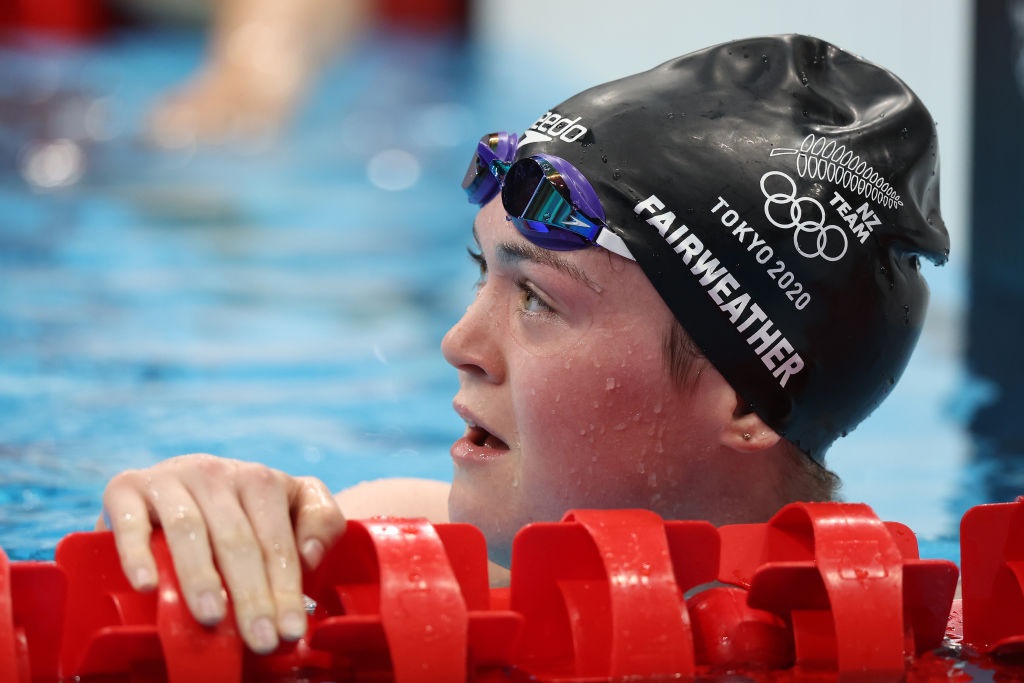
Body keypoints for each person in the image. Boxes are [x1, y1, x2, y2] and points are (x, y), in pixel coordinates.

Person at [98, 34, 949, 654]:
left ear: (747, 399)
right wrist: (185, 536)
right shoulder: (367, 547)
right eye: (483, 274)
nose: (459, 343)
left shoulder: (933, 639)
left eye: (537, 296)